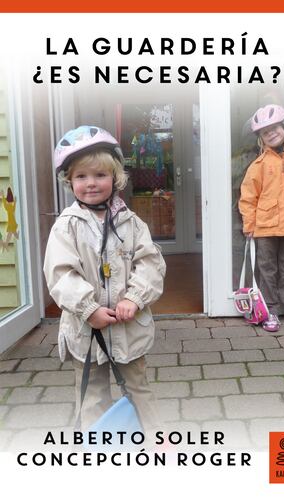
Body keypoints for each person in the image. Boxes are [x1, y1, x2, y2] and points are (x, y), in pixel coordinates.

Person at [44, 125, 166, 434]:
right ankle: (97, 451)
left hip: (128, 329)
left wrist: (134, 298)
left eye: (100, 175)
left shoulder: (132, 223)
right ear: (69, 181)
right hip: (85, 333)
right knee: (92, 397)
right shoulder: (66, 226)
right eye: (81, 176)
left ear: (116, 178)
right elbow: (61, 274)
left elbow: (150, 264)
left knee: (139, 390)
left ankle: (155, 444)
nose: (91, 183)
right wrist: (88, 309)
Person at [239, 104, 284, 332]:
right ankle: (270, 310)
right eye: (265, 131)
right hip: (265, 229)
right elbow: (248, 197)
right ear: (261, 138)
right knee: (267, 270)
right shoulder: (258, 166)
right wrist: (249, 224)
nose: (271, 133)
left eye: (274, 128)